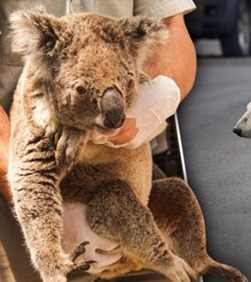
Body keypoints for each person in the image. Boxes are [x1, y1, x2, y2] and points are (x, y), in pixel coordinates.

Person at [0, 0, 197, 280]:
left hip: (132, 181)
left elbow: (169, 27)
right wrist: (28, 190)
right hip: (20, 180)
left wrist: (161, 93)